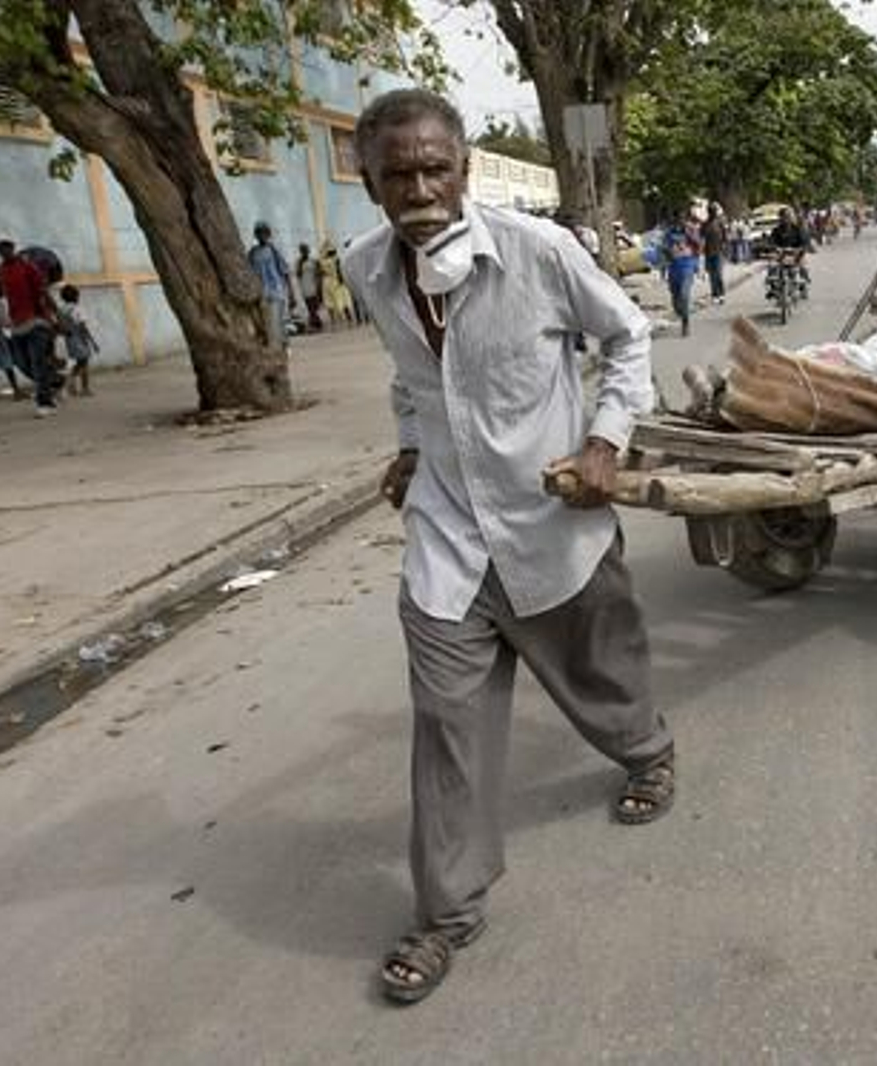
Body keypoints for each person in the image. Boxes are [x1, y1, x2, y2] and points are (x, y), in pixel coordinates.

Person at [340, 87, 675, 1006]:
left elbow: (627, 335)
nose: (419, 187)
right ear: (369, 183)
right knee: (446, 727)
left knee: (601, 673)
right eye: (398, 172)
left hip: (551, 522)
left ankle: (646, 749)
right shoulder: (367, 269)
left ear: (465, 169)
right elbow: (412, 379)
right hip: (448, 541)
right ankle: (448, 910)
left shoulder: (539, 252)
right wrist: (411, 449)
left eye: (434, 167)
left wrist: (606, 439)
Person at [0, 237, 60, 416]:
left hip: (37, 321)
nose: (3, 250)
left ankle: (44, 403)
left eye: (6, 246)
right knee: (22, 363)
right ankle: (54, 380)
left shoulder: (28, 267)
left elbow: (43, 292)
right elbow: (1, 294)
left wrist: (56, 317)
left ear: (13, 247)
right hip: (16, 324)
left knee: (37, 361)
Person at [247, 222, 295, 352]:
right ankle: (274, 346)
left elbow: (285, 272)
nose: (262, 235)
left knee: (277, 320)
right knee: (266, 322)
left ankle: (284, 346)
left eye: (264, 232)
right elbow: (250, 273)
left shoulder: (274, 250)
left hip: (276, 291)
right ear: (256, 235)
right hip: (261, 293)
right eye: (259, 233)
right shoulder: (252, 253)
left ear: (268, 234)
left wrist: (291, 293)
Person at [662, 209, 702, 337]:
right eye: (677, 219)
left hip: (687, 266)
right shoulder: (669, 232)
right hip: (673, 268)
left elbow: (699, 244)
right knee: (675, 300)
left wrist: (690, 237)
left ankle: (686, 323)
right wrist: (668, 252)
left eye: (682, 219)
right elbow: (664, 247)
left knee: (684, 295)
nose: (680, 222)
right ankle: (681, 313)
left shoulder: (690, 229)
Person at [56, 285, 98, 397]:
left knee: (78, 363)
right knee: (84, 363)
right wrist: (92, 342)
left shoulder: (61, 310)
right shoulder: (77, 309)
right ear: (76, 296)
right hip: (79, 338)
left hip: (68, 340)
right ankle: (84, 388)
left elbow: (58, 326)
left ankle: (71, 384)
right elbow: (82, 326)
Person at [0, 279, 22, 399]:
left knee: (0, 363)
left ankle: (16, 390)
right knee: (7, 362)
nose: (2, 291)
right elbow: (2, 321)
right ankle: (16, 390)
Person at [767, 206, 810, 293]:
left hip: (795, 253)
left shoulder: (797, 229)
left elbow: (804, 241)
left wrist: (801, 248)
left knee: (803, 266)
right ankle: (772, 288)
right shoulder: (776, 230)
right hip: (781, 253)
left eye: (788, 216)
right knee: (771, 266)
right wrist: (774, 248)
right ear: (780, 218)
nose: (786, 219)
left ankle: (803, 285)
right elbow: (771, 241)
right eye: (783, 216)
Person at [318, 240, 355, 328]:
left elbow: (322, 272)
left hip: (331, 281)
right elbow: (337, 271)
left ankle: (337, 322)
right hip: (332, 281)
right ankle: (343, 321)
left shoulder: (327, 260)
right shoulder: (332, 260)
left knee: (336, 302)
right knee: (338, 302)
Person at [701, 202, 727, 306]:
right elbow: (701, 237)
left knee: (719, 275)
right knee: (712, 276)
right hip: (708, 252)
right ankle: (714, 295)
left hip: (718, 252)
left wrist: (725, 246)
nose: (712, 213)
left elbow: (725, 236)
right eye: (710, 211)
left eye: (714, 211)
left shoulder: (720, 222)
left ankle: (721, 294)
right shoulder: (705, 224)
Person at [296, 243, 324, 332]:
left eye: (306, 249)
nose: (304, 251)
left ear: (308, 250)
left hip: (314, 285)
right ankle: (316, 323)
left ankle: (315, 322)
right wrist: (300, 264)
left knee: (315, 306)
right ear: (300, 252)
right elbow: (298, 274)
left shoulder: (314, 260)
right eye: (302, 250)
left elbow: (319, 273)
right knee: (310, 306)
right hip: (305, 286)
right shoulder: (298, 262)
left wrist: (319, 284)